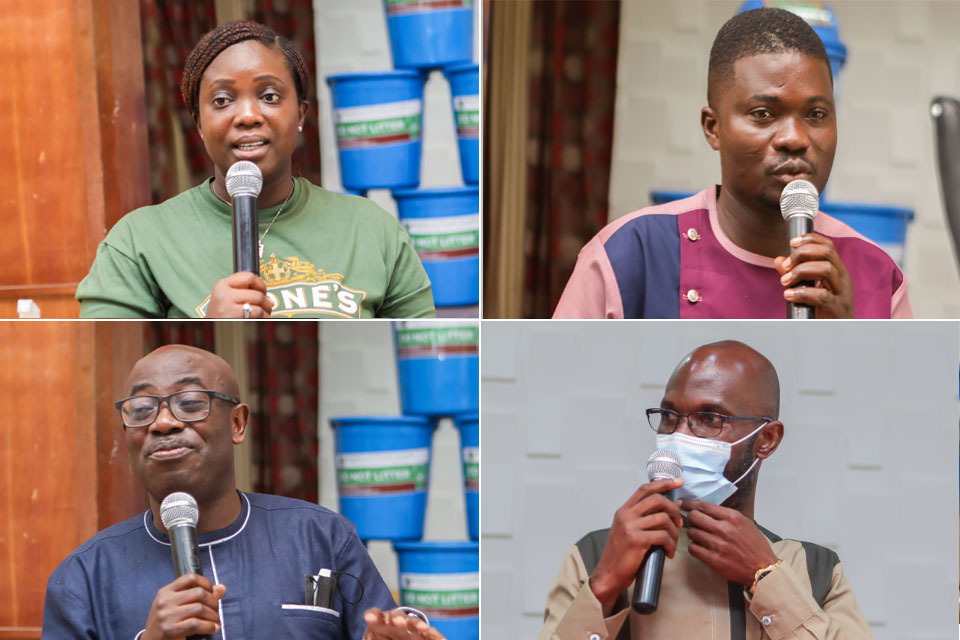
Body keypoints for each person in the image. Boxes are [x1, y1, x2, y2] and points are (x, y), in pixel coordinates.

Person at [42, 345, 445, 640]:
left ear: (237, 424)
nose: (163, 423)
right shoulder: (84, 576)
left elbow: (381, 629)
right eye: (143, 409)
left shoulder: (321, 536)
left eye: (189, 403)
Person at [553, 8, 910, 319]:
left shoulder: (877, 275)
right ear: (713, 128)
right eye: (764, 113)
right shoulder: (631, 254)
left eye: (816, 114)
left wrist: (849, 340)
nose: (795, 138)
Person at [76, 22, 435, 319]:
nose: (248, 116)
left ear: (301, 114)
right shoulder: (139, 241)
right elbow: (108, 349)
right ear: (199, 123)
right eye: (222, 100)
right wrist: (210, 328)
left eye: (269, 96)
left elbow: (419, 340)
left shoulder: (374, 231)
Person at [537, 341, 871, 639]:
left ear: (767, 440)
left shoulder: (815, 571)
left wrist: (766, 576)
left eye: (710, 418)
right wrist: (605, 585)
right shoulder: (594, 557)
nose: (679, 435)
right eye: (669, 416)